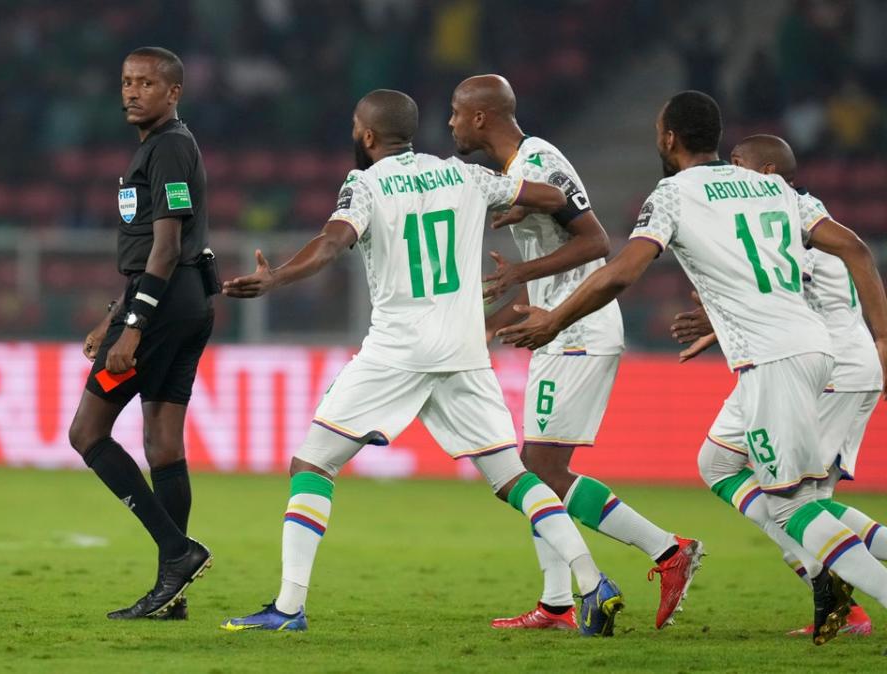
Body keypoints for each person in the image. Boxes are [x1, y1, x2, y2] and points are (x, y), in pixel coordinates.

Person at [219, 89, 624, 635]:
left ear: (366, 135)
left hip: (398, 350)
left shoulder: (364, 184)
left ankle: (288, 608)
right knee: (513, 477)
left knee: (313, 464)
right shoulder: (464, 175)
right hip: (462, 350)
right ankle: (592, 580)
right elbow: (553, 195)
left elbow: (332, 242)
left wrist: (277, 277)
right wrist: (529, 204)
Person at [496, 90, 887, 646]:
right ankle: (837, 589)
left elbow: (622, 272)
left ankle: (853, 599)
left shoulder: (673, 195)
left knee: (795, 506)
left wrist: (556, 319)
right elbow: (854, 248)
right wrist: (882, 336)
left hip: (775, 358)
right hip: (809, 346)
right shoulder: (772, 185)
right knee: (723, 464)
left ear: (669, 138)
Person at [448, 74, 702, 631]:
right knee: (537, 469)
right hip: (557, 327)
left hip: (579, 329)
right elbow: (556, 258)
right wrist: (490, 323)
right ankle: (557, 603)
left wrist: (522, 271)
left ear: (482, 118)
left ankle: (668, 551)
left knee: (536, 470)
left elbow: (596, 241)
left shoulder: (540, 159)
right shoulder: (518, 174)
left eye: (456, 114)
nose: (450, 124)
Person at [671, 134, 885, 637]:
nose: (730, 172)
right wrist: (718, 325)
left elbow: (780, 277)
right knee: (719, 462)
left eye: (739, 165)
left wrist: (883, 338)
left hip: (825, 365)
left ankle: (844, 605)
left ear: (767, 171)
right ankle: (826, 584)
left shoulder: (790, 214)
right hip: (791, 356)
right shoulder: (788, 210)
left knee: (805, 505)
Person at [67, 47, 215, 620]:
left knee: (86, 432)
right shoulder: (159, 146)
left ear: (173, 91)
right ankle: (171, 592)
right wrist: (116, 311)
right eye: (127, 81)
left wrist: (131, 327)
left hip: (165, 304)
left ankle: (178, 553)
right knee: (162, 443)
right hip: (185, 301)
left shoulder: (171, 145)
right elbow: (153, 253)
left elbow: (167, 245)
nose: (132, 91)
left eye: (146, 83)